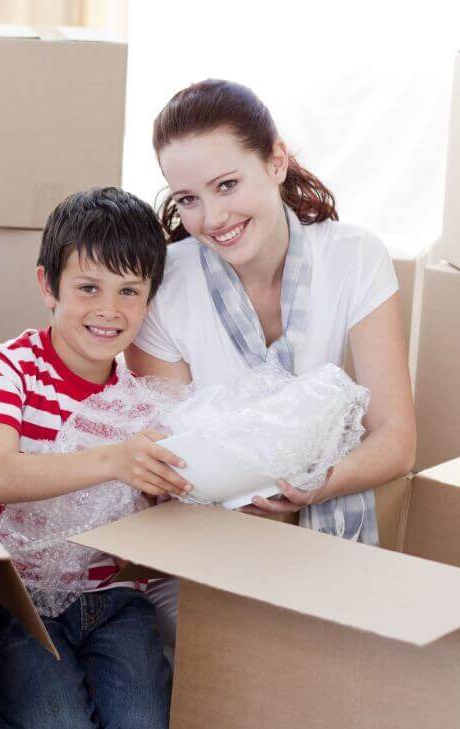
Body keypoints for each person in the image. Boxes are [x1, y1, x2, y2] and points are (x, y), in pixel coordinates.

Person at [128, 79, 417, 649]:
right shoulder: (167, 284)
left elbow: (396, 437)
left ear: (277, 161)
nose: (212, 218)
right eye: (187, 199)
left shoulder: (354, 258)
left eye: (227, 184)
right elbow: (166, 466)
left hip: (326, 533)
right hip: (208, 550)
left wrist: (314, 486)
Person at [0, 187, 180, 729]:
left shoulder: (139, 399)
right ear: (47, 286)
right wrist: (116, 461)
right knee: (55, 720)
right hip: (18, 599)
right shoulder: (4, 367)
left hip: (113, 599)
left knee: (144, 721)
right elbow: (0, 474)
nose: (109, 310)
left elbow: (152, 517)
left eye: (130, 291)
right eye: (87, 287)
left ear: (150, 301)